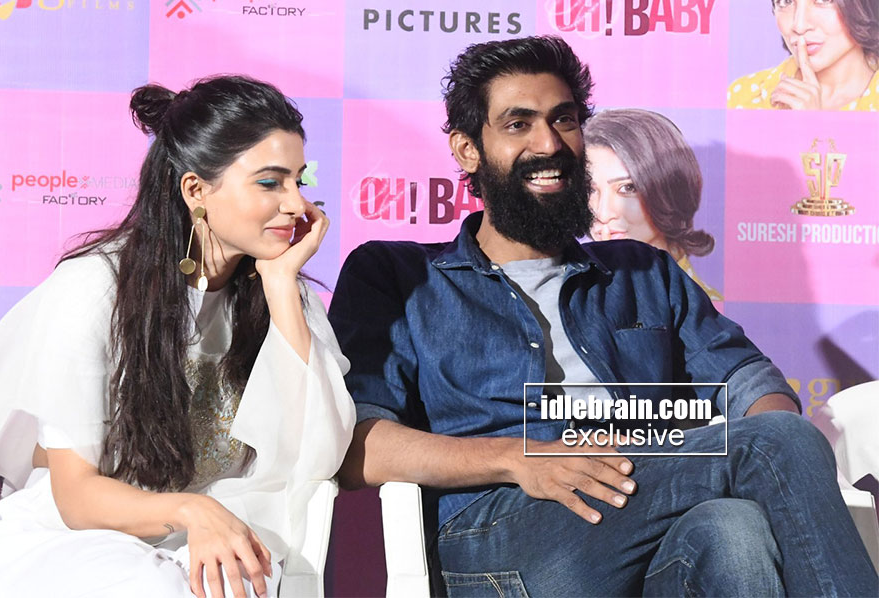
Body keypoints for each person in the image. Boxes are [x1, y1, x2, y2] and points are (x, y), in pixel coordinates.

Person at [330, 36, 878, 596]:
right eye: (518, 124)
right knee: (770, 444)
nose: (549, 143)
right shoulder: (397, 274)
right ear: (468, 149)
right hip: (500, 535)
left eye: (564, 119)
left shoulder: (640, 270)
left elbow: (749, 381)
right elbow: (359, 447)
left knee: (734, 530)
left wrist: (766, 435)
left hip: (640, 504)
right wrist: (519, 458)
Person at [0, 75, 355, 598]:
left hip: (214, 533)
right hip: (75, 540)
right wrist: (191, 509)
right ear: (195, 190)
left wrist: (281, 283)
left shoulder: (283, 294)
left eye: (299, 181)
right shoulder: (94, 288)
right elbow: (76, 497)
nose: (296, 205)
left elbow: (317, 453)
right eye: (270, 183)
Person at [583, 109, 722, 301]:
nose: (603, 213)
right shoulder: (573, 296)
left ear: (669, 189)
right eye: (589, 190)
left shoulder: (702, 307)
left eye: (628, 188)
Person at [727, 0, 879, 111]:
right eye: (786, 2)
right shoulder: (743, 98)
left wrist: (812, 128)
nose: (799, 26)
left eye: (823, 0)